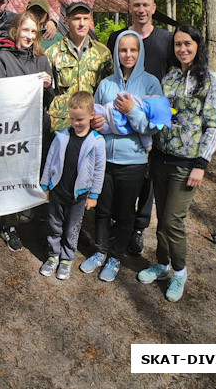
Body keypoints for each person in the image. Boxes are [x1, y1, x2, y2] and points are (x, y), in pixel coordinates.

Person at [138, 25, 216, 302]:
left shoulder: (210, 80)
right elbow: (162, 113)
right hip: (161, 158)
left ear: (198, 45)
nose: (182, 49)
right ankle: (162, 265)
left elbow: (212, 125)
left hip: (187, 163)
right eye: (177, 44)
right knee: (161, 217)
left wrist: (201, 163)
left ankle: (179, 272)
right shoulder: (170, 77)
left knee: (174, 221)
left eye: (187, 43)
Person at [81, 31, 162, 282]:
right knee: (102, 210)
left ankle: (115, 257)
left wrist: (131, 111)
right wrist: (94, 122)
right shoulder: (106, 84)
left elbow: (153, 126)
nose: (128, 55)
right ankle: (100, 251)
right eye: (123, 50)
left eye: (133, 50)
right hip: (104, 158)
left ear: (140, 53)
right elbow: (93, 114)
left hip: (133, 161)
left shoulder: (150, 84)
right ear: (117, 52)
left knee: (126, 213)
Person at [106, 0, 174, 255]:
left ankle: (138, 228)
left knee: (148, 178)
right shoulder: (117, 37)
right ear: (129, 8)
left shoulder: (166, 40)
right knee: (118, 174)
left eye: (146, 5)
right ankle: (118, 222)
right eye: (136, 5)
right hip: (120, 119)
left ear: (154, 8)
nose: (141, 10)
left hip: (150, 119)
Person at [0, 11, 54, 251]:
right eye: (25, 30)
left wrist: (49, 85)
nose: (28, 35)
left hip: (38, 129)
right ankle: (9, 225)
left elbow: (49, 99)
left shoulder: (41, 60)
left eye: (33, 31)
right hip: (12, 131)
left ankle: (33, 221)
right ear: (16, 31)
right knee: (11, 178)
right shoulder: (2, 58)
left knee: (34, 175)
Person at [39, 91, 106, 280]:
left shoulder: (96, 142)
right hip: (58, 191)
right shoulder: (61, 137)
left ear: (92, 115)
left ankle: (67, 259)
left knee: (71, 229)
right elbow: (50, 161)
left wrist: (94, 195)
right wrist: (45, 186)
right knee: (55, 225)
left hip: (79, 195)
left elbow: (99, 170)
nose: (76, 123)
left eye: (81, 119)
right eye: (73, 118)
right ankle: (53, 256)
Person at [45, 1, 113, 132]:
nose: (82, 23)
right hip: (62, 126)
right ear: (66, 20)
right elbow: (46, 94)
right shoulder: (53, 53)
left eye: (86, 18)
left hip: (92, 126)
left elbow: (109, 91)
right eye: (77, 19)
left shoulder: (102, 53)